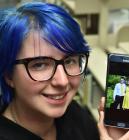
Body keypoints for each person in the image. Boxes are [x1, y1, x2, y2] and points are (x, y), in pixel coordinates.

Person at [0, 2, 99, 140]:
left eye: (69, 61)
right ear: (8, 75)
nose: (63, 81)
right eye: (40, 65)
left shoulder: (74, 115)